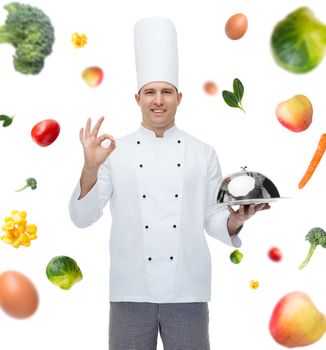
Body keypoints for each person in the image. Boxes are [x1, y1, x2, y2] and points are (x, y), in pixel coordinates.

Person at [69, 17, 269, 350]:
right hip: (129, 291)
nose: (158, 100)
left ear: (179, 97)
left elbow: (212, 217)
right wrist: (90, 167)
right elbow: (82, 218)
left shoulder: (202, 152)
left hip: (188, 291)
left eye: (166, 92)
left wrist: (235, 220)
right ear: (137, 98)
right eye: (150, 92)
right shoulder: (112, 153)